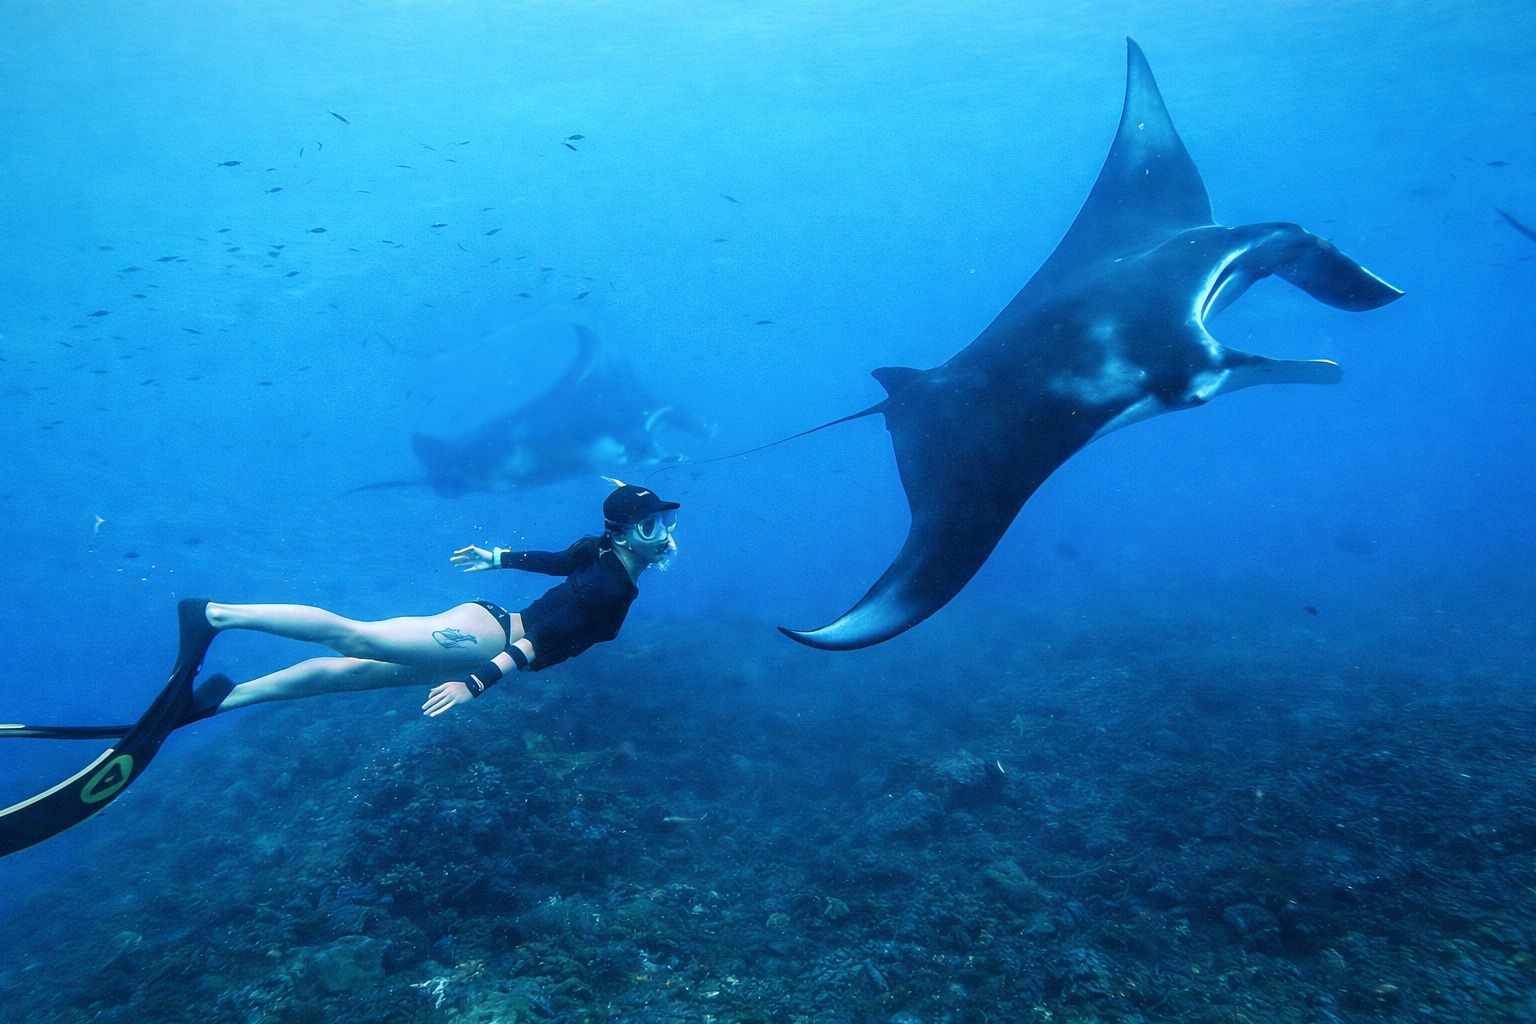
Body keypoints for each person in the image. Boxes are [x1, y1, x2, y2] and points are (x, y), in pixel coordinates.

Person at [184, 482, 680, 721]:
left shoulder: (603, 555)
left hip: (484, 641)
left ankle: (224, 698)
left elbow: (558, 561)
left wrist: (499, 557)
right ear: (622, 534)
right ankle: (213, 615)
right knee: (356, 637)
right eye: (650, 526)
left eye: (665, 522)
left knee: (347, 675)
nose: (662, 534)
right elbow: (541, 640)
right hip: (485, 641)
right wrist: (474, 684)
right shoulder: (610, 587)